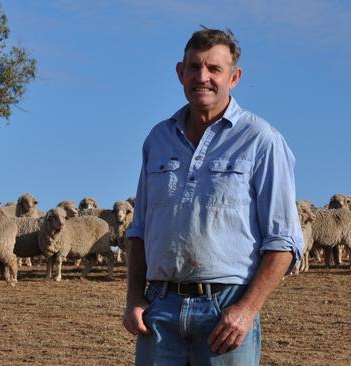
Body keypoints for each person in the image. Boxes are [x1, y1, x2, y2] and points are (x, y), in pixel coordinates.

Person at [122, 27, 303, 365]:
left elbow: (284, 241)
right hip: (159, 307)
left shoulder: (262, 140)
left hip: (226, 309)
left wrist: (246, 310)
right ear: (180, 72)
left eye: (214, 69)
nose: (202, 77)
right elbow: (139, 230)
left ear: (234, 78)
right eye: (194, 67)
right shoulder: (158, 139)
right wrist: (134, 297)